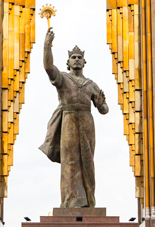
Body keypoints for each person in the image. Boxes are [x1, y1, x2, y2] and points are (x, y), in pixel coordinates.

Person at [39, 27, 108, 208]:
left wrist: (102, 103)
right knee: (69, 161)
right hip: (68, 119)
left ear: (84, 62)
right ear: (68, 62)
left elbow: (104, 110)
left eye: (79, 58)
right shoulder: (63, 79)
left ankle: (89, 202)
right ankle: (70, 202)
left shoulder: (91, 85)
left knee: (87, 161)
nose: (76, 60)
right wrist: (47, 46)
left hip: (86, 121)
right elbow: (48, 67)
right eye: (73, 57)